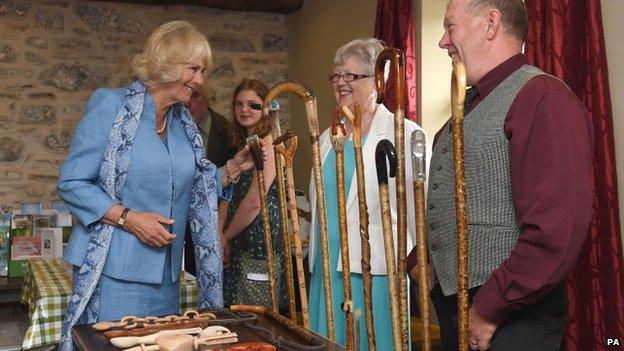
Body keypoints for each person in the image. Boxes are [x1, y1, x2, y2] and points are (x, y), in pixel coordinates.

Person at [57, 21, 262, 350]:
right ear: (167, 62)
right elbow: (72, 182)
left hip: (167, 277)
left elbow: (196, 188)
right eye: (193, 69)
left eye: (203, 71)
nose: (199, 81)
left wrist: (235, 167)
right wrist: (130, 219)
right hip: (113, 273)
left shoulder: (183, 125)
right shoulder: (110, 106)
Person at [406, 1, 594, 350]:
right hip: (458, 315)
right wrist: (422, 258)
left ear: (491, 24)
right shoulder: (462, 111)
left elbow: (555, 232)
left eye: (450, 27)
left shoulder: (543, 98)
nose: (443, 41)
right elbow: (470, 203)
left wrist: (489, 308)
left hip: (510, 321)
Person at [307, 38, 423, 350]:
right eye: (336, 75)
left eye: (351, 76)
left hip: (376, 271)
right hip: (326, 270)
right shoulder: (325, 138)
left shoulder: (404, 133)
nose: (341, 83)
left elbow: (417, 210)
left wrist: (412, 261)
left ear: (376, 81)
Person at [220, 79, 287, 309]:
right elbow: (226, 191)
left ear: (266, 109)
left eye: (252, 105)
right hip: (238, 244)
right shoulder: (241, 145)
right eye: (239, 104)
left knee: (255, 321)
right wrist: (221, 234)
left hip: (259, 248)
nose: (244, 110)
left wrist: (225, 237)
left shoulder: (269, 144)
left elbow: (255, 202)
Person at [184, 83, 237, 276]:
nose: (189, 103)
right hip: (183, 222)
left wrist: (220, 230)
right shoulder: (179, 127)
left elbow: (231, 185)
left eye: (195, 96)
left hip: (214, 219)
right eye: (187, 96)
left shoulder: (224, 131)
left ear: (207, 100)